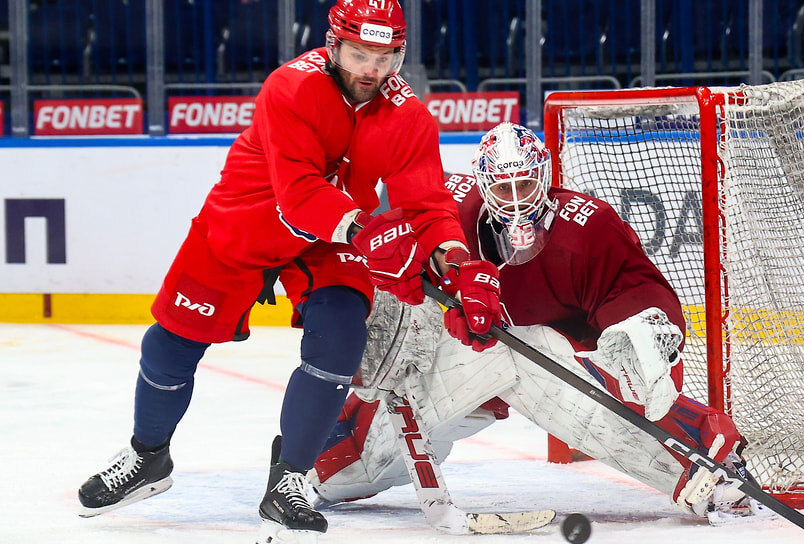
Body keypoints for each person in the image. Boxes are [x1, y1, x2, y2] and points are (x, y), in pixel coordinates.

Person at [76, 1, 501, 542]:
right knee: (170, 345)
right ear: (333, 46)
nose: (371, 70)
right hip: (248, 220)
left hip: (332, 238)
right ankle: (147, 457)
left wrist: (459, 264)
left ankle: (291, 479)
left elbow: (428, 203)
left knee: (340, 336)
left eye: (385, 57)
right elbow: (298, 194)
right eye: (358, 54)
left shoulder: (408, 115)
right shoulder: (291, 88)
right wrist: (369, 235)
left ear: (400, 55)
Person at [309, 122, 767, 524]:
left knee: (535, 356)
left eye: (525, 187)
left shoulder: (586, 229)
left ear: (545, 178)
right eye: (503, 189)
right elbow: (374, 256)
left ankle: (701, 467)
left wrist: (642, 338)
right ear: (484, 185)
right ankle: (316, 462)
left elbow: (636, 295)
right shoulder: (448, 214)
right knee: (351, 470)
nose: (515, 202)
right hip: (438, 360)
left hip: (532, 365)